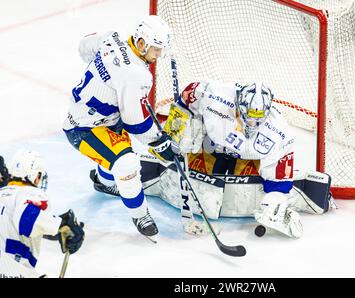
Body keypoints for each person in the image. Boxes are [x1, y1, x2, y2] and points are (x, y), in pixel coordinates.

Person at [91, 80, 335, 238]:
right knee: (169, 150)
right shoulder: (213, 96)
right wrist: (175, 136)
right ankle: (113, 175)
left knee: (266, 189)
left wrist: (273, 205)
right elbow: (187, 96)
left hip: (243, 161)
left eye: (258, 119)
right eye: (247, 116)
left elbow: (279, 179)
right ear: (238, 102)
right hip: (207, 144)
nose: (251, 123)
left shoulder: (279, 132)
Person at [63, 16, 178, 240]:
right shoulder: (137, 75)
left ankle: (104, 183)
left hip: (99, 117)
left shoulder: (112, 38)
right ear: (142, 43)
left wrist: (104, 77)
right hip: (84, 128)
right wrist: (159, 142)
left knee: (116, 149)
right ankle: (140, 215)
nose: (159, 55)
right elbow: (136, 124)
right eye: (156, 49)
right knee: (126, 162)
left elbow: (83, 47)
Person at [0, 150, 84, 278]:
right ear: (36, 175)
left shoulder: (4, 195)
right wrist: (61, 225)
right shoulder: (29, 193)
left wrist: (56, 228)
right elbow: (26, 221)